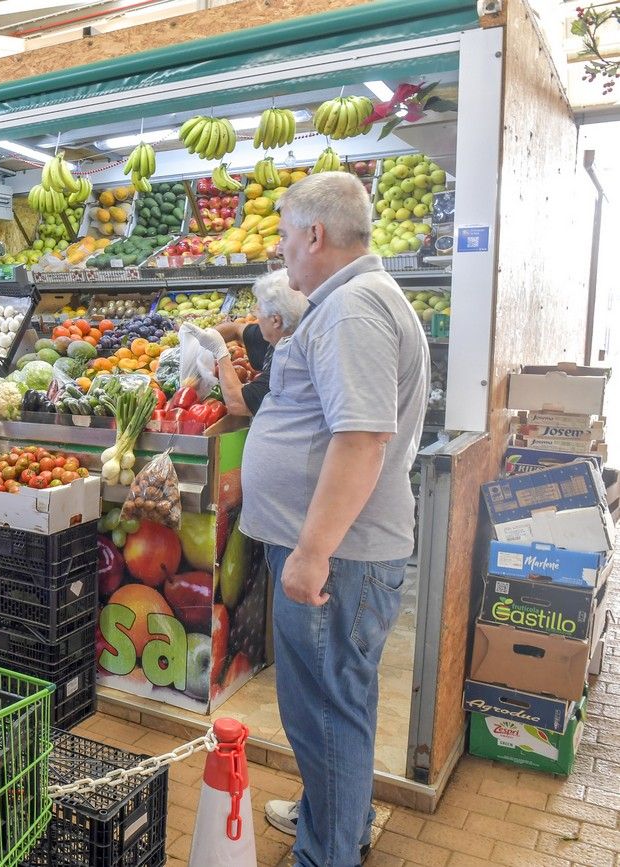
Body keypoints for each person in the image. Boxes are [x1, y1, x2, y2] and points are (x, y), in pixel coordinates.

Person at [240, 172, 428, 867]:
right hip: (336, 551)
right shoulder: (348, 303)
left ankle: (327, 852)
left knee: (327, 709)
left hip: (338, 559)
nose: (283, 246)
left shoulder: (352, 310)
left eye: (287, 232)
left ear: (314, 234)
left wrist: (312, 551)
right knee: (328, 704)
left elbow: (361, 438)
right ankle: (331, 815)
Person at [183, 268, 308, 417]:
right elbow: (235, 329)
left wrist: (220, 352)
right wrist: (203, 340)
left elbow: (238, 405)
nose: (255, 314)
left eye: (259, 310)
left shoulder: (290, 364)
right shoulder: (283, 333)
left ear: (275, 320)